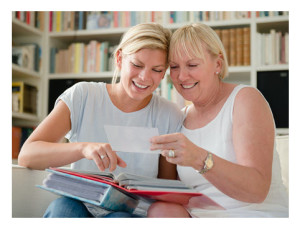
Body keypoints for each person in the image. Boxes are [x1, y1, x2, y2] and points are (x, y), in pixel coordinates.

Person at [18, 23, 184, 218]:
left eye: (156, 70)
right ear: (120, 58)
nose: (144, 77)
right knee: (63, 208)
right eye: (137, 65)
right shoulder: (83, 95)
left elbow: (166, 189)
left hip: (130, 213)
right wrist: (83, 149)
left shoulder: (169, 114)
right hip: (78, 205)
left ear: (164, 71)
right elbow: (27, 155)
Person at [147, 23, 288, 218]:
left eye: (192, 65)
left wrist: (199, 158)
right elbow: (172, 192)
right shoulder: (180, 116)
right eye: (174, 67)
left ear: (218, 64)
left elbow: (257, 191)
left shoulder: (245, 99)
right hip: (200, 215)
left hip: (253, 214)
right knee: (159, 210)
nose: (181, 76)